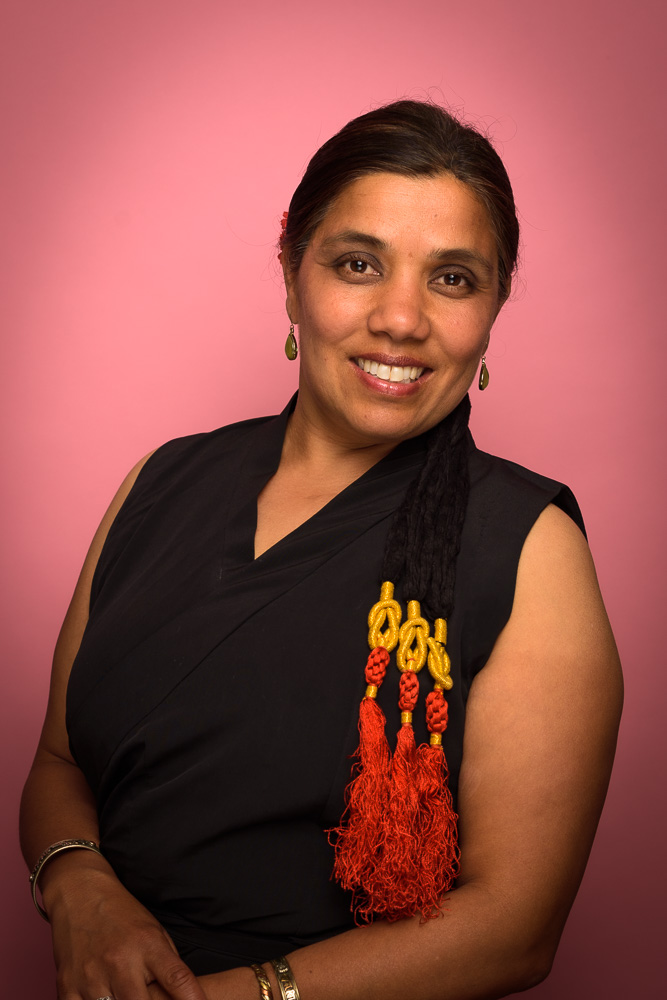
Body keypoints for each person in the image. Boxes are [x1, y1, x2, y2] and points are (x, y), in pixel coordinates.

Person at [20, 99, 623, 1000]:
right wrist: (79, 885)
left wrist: (222, 997)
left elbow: (513, 930)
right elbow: (60, 764)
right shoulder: (160, 482)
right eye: (357, 264)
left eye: (452, 278)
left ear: (493, 310)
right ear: (291, 276)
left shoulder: (532, 549)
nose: (401, 319)